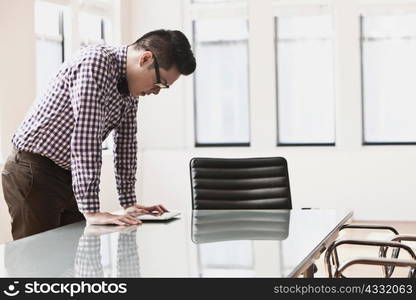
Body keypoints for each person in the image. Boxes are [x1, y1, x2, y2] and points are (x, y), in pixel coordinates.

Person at [1, 29, 196, 240]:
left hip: (68, 174)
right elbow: (87, 137)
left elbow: (126, 144)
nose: (157, 91)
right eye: (160, 82)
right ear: (145, 58)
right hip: (34, 170)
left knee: (65, 264)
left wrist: (128, 203)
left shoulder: (131, 90)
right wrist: (91, 210)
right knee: (35, 263)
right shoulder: (96, 63)